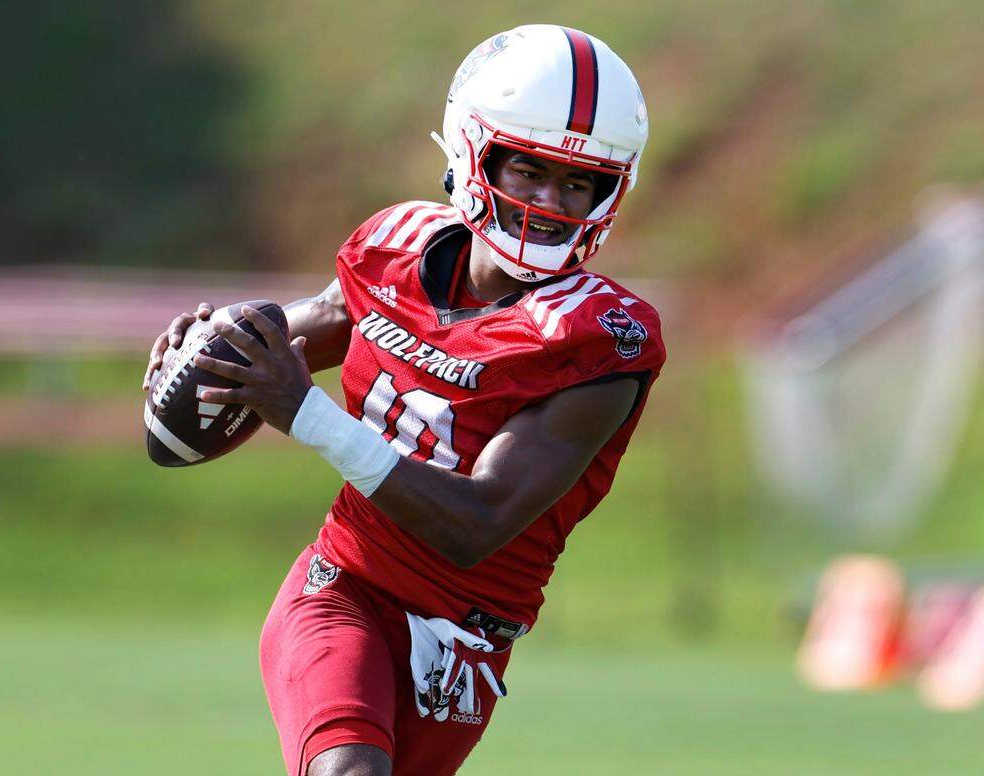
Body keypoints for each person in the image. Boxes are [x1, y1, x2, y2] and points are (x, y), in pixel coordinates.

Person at [143, 24, 663, 776]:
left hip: (465, 642)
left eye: (577, 183)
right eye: (528, 171)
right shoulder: (395, 249)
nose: (550, 203)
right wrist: (207, 354)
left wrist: (307, 415)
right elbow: (273, 352)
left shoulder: (597, 341)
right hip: (346, 587)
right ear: (472, 151)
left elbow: (477, 523)